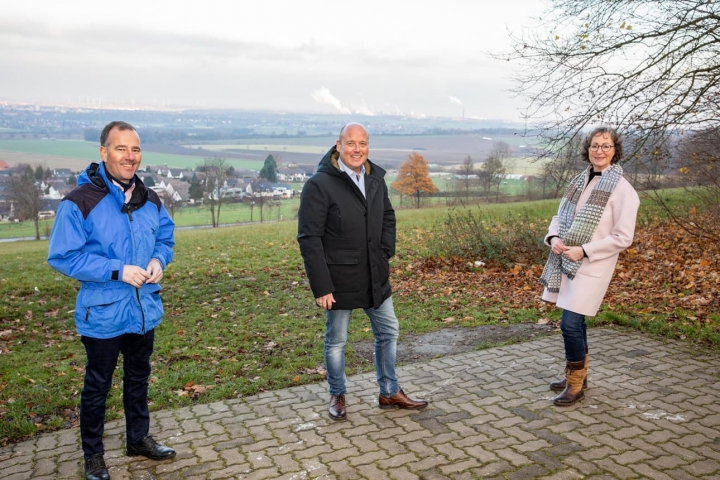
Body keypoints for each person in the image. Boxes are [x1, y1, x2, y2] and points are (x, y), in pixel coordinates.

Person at [48, 121, 176, 480]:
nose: (129, 156)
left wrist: (158, 260)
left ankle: (138, 439)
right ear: (104, 153)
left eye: (135, 149)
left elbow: (165, 239)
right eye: (121, 149)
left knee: (138, 378)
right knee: (98, 386)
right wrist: (116, 270)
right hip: (103, 312)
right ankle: (93, 455)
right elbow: (63, 256)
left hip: (143, 308)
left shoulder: (150, 199)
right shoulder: (79, 201)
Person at [297, 122, 429, 421]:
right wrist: (322, 285)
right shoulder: (320, 184)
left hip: (374, 273)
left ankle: (389, 391)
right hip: (338, 278)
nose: (357, 149)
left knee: (388, 331)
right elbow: (309, 238)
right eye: (351, 143)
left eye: (363, 143)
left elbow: (388, 217)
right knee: (337, 341)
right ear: (339, 145)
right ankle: (337, 394)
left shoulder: (375, 179)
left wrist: (384, 253)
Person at [539, 126, 640, 407]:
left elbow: (623, 237)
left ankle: (575, 384)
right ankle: (577, 376)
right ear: (588, 149)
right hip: (566, 261)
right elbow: (559, 217)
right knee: (576, 323)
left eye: (606, 146)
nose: (599, 151)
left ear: (615, 151)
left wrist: (584, 250)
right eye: (595, 145)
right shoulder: (578, 181)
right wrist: (554, 238)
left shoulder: (623, 190)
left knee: (570, 324)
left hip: (593, 266)